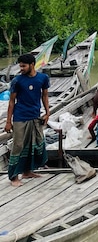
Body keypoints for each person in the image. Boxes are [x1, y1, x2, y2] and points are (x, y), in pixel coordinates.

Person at [3, 53, 50, 187]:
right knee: (18, 146)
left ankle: (27, 172)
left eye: (23, 66)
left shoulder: (43, 78)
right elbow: (11, 102)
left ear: (32, 65)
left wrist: (48, 113)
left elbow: (45, 96)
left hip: (35, 116)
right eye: (20, 66)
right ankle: (13, 177)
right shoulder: (17, 81)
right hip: (20, 117)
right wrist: (8, 121)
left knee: (33, 144)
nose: (21, 68)